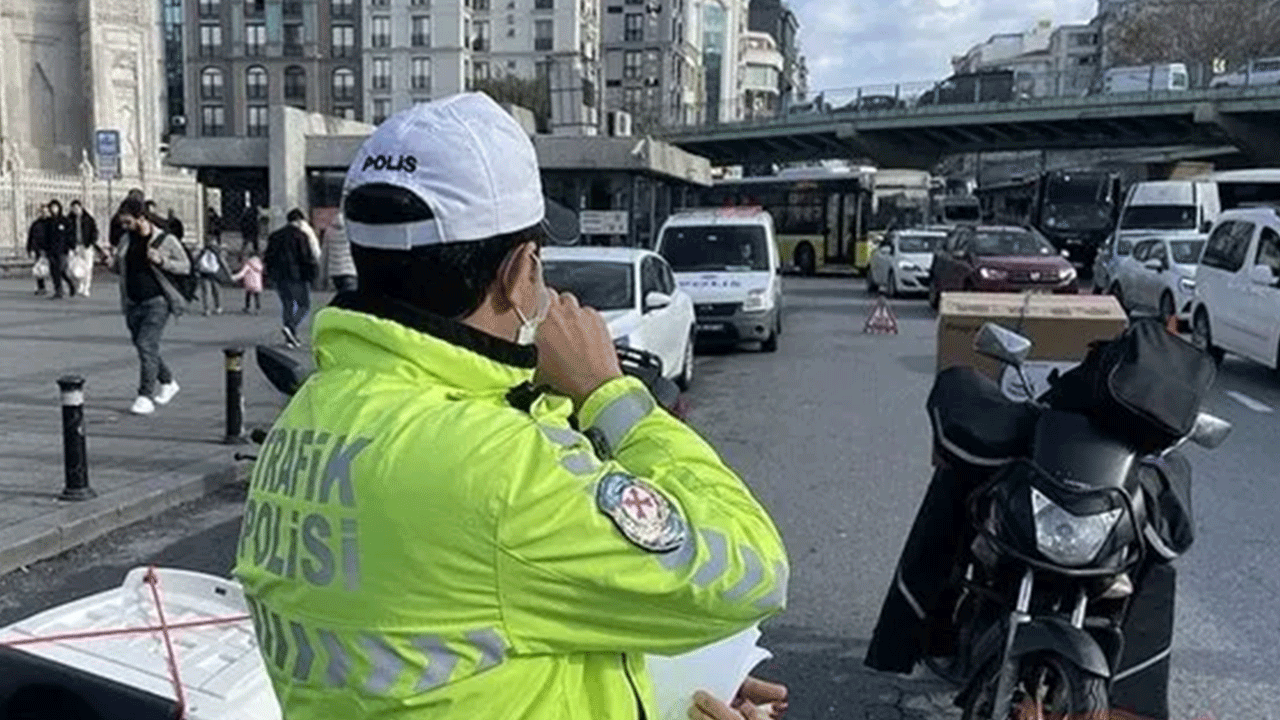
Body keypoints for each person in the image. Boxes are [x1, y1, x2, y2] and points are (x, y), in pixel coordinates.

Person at [232, 93, 791, 720]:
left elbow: (463, 640)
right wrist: (608, 393)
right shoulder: (497, 467)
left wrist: (666, 690)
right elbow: (750, 570)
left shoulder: (313, 413)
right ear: (521, 271)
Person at [113, 197, 190, 416]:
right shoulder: (126, 240)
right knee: (143, 346)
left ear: (141, 218)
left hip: (157, 301)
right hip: (132, 301)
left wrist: (162, 261)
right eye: (122, 223)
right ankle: (168, 382)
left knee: (146, 344)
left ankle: (145, 396)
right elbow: (121, 269)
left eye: (128, 222)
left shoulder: (165, 239)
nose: (124, 227)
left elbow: (185, 266)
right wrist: (112, 262)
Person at [263, 208, 319, 348]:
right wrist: (312, 274)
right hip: (297, 275)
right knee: (304, 305)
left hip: (279, 276)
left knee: (287, 304)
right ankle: (291, 327)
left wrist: (270, 274)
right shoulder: (301, 236)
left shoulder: (275, 236)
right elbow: (306, 257)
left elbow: (268, 256)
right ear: (300, 220)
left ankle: (290, 338)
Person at [44, 199, 76, 299]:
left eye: (55, 207)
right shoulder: (48, 222)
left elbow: (70, 235)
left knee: (61, 270)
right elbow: (45, 236)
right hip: (51, 250)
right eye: (51, 208)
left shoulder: (65, 221)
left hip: (62, 250)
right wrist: (45, 249)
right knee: (54, 271)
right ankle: (58, 291)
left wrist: (71, 247)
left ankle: (70, 284)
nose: (54, 210)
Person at [69, 200, 100, 297]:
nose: (75, 210)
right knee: (74, 268)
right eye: (73, 209)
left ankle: (86, 287)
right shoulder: (69, 219)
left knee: (87, 267)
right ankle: (80, 284)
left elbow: (94, 231)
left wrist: (91, 242)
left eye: (77, 208)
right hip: (75, 246)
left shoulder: (88, 219)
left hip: (86, 246)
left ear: (81, 208)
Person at [325, 212, 357, 292]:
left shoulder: (329, 232)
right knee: (350, 299)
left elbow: (325, 253)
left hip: (335, 273)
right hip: (349, 271)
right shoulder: (351, 232)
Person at [194, 234, 225, 315]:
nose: (211, 244)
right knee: (208, 292)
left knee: (214, 291)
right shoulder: (204, 251)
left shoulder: (216, 252)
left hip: (212, 273)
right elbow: (196, 260)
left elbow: (223, 263)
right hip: (207, 273)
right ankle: (209, 308)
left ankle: (216, 307)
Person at [26, 204, 49, 296]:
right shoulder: (36, 224)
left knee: (56, 269)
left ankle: (59, 287)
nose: (44, 214)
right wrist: (29, 249)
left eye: (45, 212)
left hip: (50, 249)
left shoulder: (51, 223)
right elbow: (31, 237)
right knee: (39, 269)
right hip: (39, 249)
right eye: (42, 212)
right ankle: (41, 287)